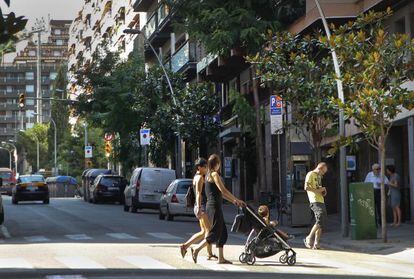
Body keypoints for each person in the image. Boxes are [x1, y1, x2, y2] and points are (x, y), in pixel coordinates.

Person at [191, 154, 246, 264]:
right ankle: (196, 249)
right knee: (215, 232)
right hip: (214, 206)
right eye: (219, 163)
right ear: (216, 164)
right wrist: (236, 199)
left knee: (222, 233)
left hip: (211, 206)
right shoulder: (214, 174)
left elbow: (222, 194)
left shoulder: (207, 175)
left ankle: (221, 258)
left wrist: (234, 201)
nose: (219, 166)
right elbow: (223, 190)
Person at [179, 158, 217, 260]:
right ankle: (203, 251)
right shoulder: (200, 178)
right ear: (199, 167)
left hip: (199, 205)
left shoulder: (196, 177)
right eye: (204, 167)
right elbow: (199, 193)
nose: (206, 169)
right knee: (210, 231)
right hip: (202, 206)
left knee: (203, 232)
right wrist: (200, 207)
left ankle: (185, 246)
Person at [303, 162, 328, 250]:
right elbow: (306, 187)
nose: (323, 174)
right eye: (323, 172)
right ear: (320, 168)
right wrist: (317, 191)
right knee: (320, 217)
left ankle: (316, 243)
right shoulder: (310, 174)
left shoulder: (319, 177)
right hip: (314, 200)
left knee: (321, 222)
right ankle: (309, 237)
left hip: (321, 200)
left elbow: (318, 188)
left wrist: (323, 191)